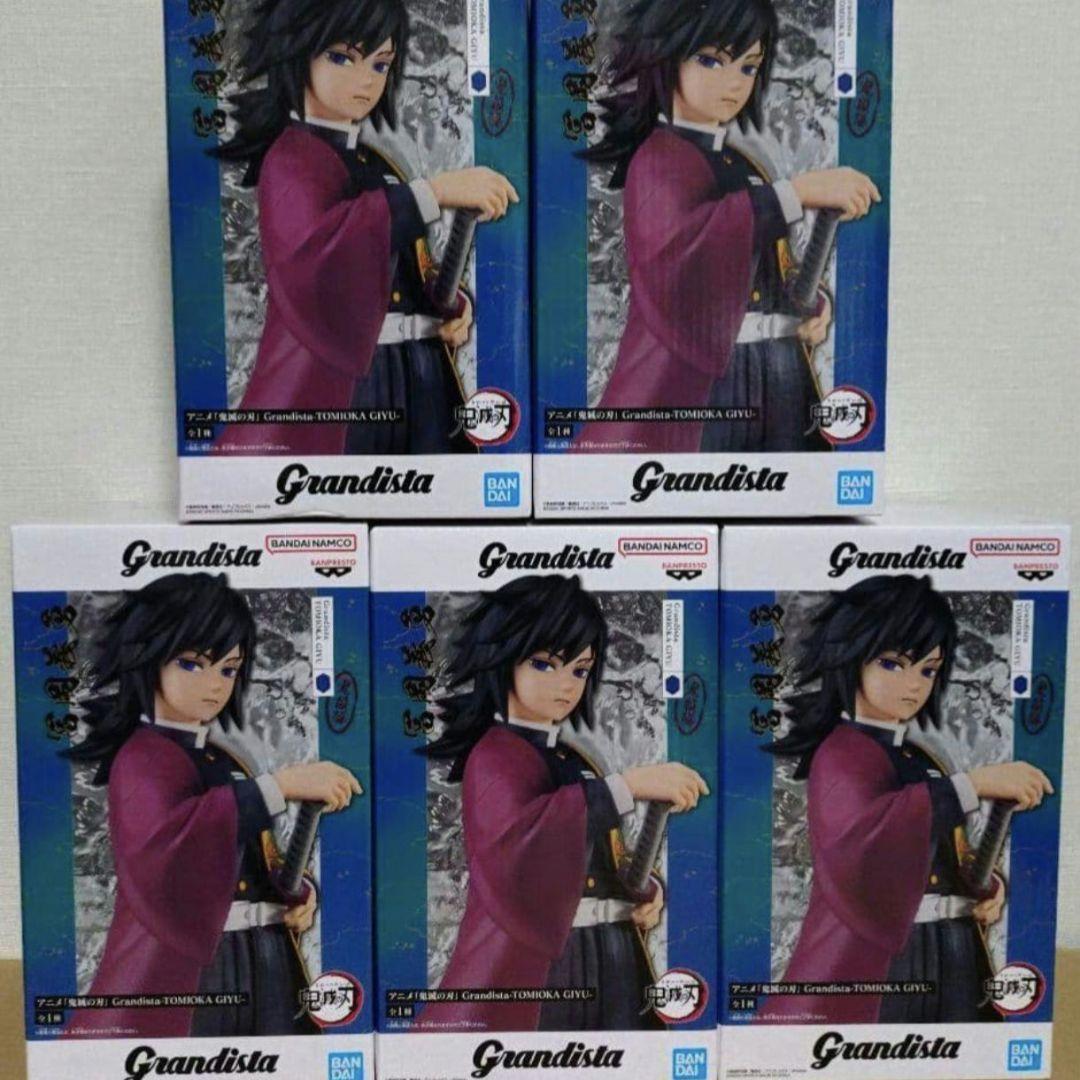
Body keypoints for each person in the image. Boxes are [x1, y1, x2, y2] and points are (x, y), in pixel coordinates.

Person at [62, 572, 362, 1038]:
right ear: (147, 658)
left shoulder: (223, 759)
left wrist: (300, 893)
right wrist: (279, 786)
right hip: (194, 969)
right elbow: (168, 850)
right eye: (192, 664)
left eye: (228, 669)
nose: (215, 684)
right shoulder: (142, 757)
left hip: (264, 955)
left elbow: (250, 862)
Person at [212, 0, 518, 455]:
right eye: (342, 58)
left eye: (380, 64)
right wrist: (432, 193)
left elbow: (402, 273)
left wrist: (453, 304)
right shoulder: (290, 159)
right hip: (350, 386)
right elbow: (319, 260)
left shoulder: (377, 164)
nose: (366, 80)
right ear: (298, 53)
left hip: (418, 373)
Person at [574, 0, 879, 454]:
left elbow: (761, 269)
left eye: (748, 67)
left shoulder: (743, 163)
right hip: (711, 385)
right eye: (711, 61)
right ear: (667, 56)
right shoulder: (657, 159)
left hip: (777, 370)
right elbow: (683, 257)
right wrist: (794, 195)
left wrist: (809, 302)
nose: (734, 83)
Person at [414, 574, 709, 1032]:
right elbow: (520, 848)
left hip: (611, 950)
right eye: (544, 664)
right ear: (502, 658)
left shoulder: (573, 759)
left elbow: (592, 856)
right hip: (546, 963)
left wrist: (642, 889)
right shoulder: (494, 755)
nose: (566, 685)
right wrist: (626, 787)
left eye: (579, 669)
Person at [759, 575, 1053, 1024]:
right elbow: (864, 844)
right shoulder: (841, 753)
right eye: (893, 664)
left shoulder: (919, 758)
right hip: (886, 958)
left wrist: (983, 886)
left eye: (928, 670)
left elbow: (936, 854)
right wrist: (972, 786)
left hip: (950, 945)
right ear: (850, 657)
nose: (914, 685)